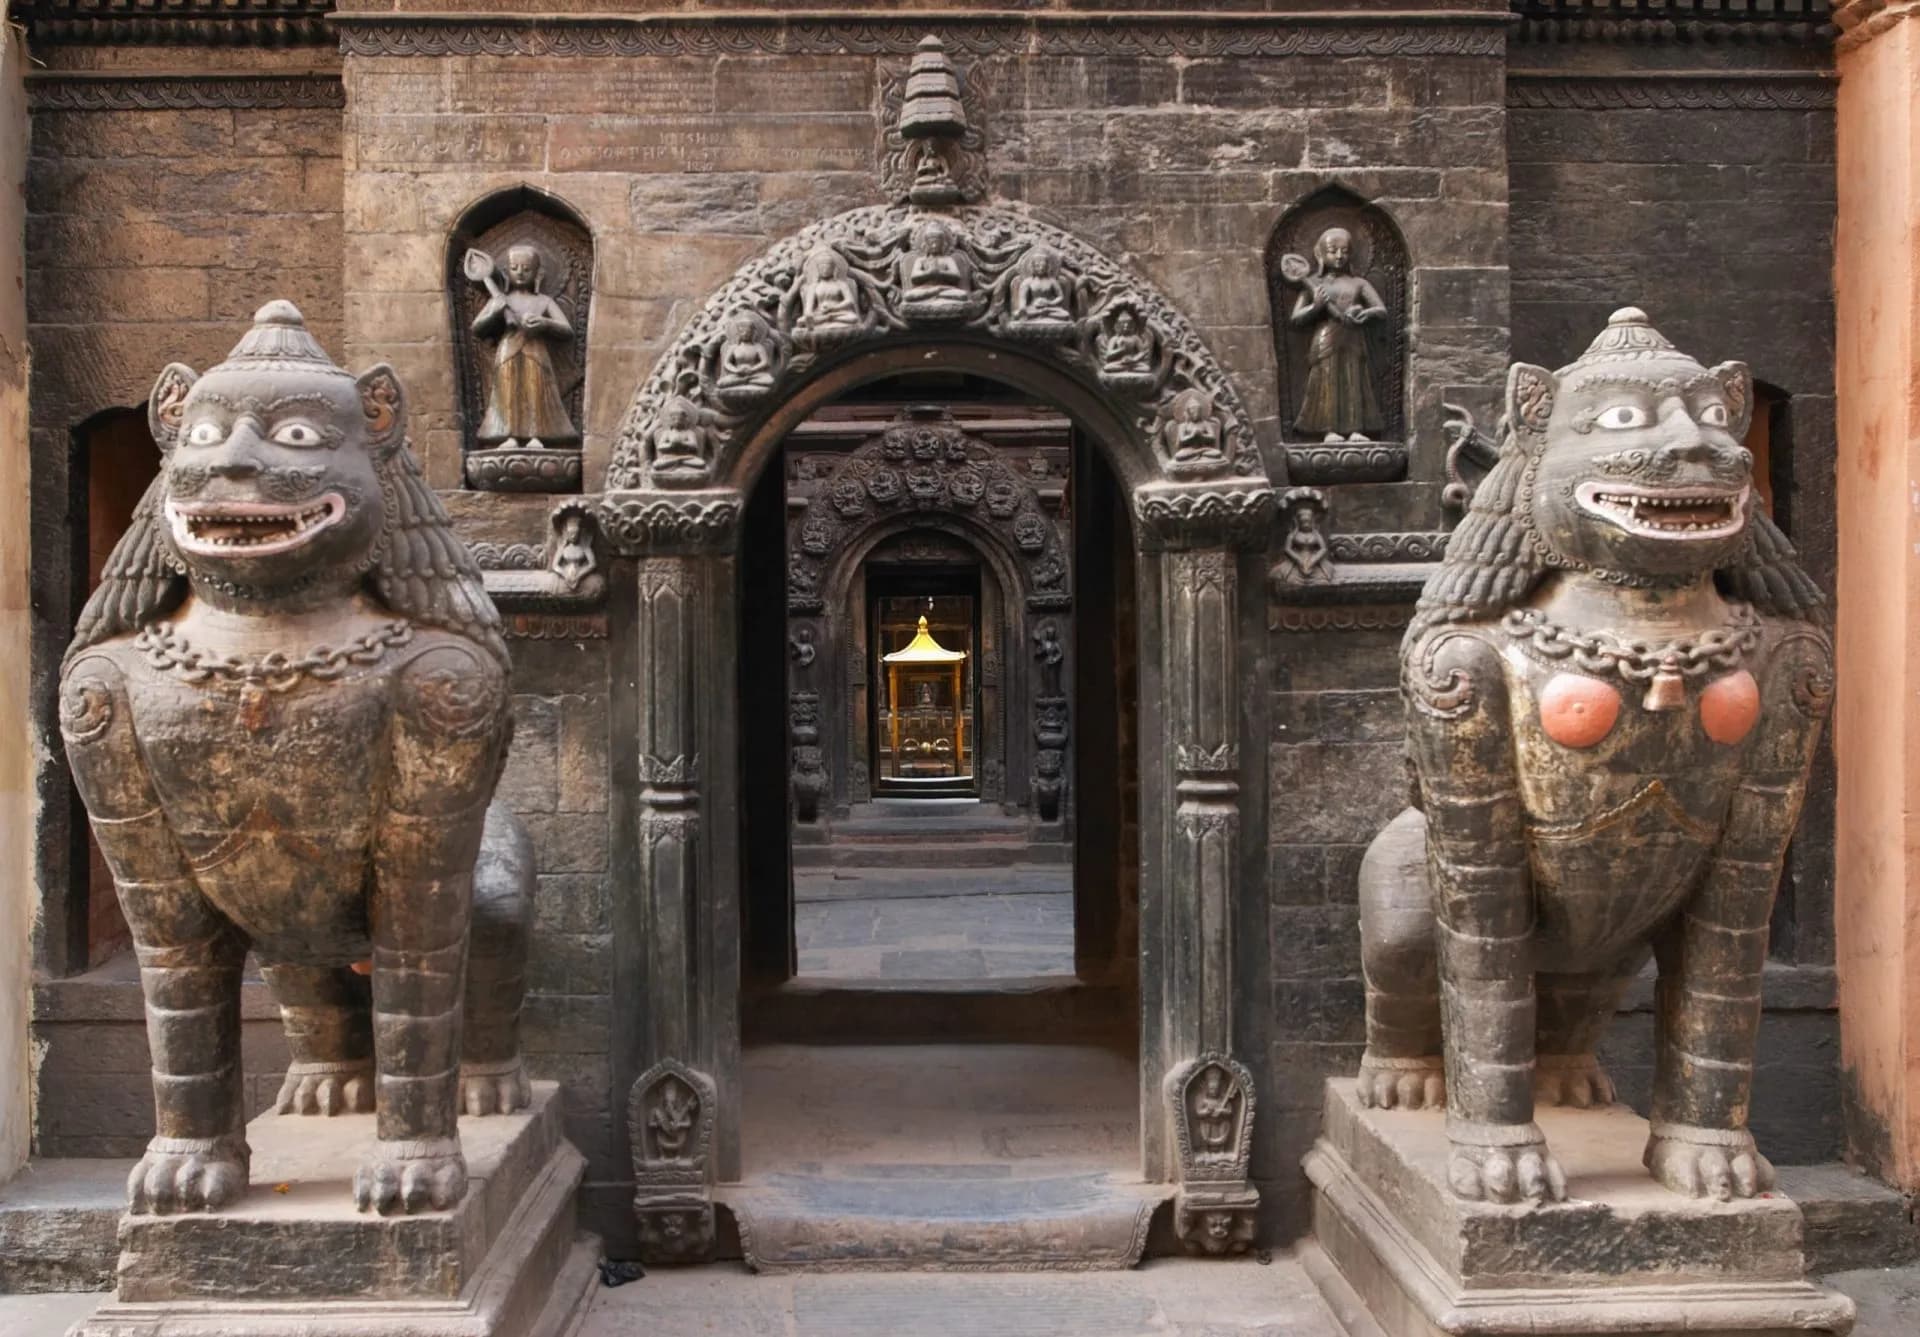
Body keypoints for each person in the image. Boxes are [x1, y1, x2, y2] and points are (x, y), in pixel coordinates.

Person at [472, 245, 577, 449]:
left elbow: (566, 329)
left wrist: (545, 323)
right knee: (508, 393)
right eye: (515, 267)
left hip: (535, 353)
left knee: (535, 392)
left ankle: (537, 435)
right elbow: (477, 327)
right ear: (506, 272)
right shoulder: (501, 300)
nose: (520, 272)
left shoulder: (543, 301)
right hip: (507, 353)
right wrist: (494, 311)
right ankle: (509, 435)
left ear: (538, 274)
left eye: (526, 269)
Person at [1290, 227, 1387, 443]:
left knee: (1353, 380)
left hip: (1352, 336)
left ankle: (1356, 429)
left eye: (1344, 251)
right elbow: (1296, 318)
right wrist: (1316, 306)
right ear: (1321, 254)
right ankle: (1328, 429)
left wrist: (1364, 312)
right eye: (1333, 251)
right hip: (1326, 336)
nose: (1339, 256)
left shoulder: (1358, 283)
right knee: (1327, 380)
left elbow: (1381, 310)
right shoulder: (1315, 284)